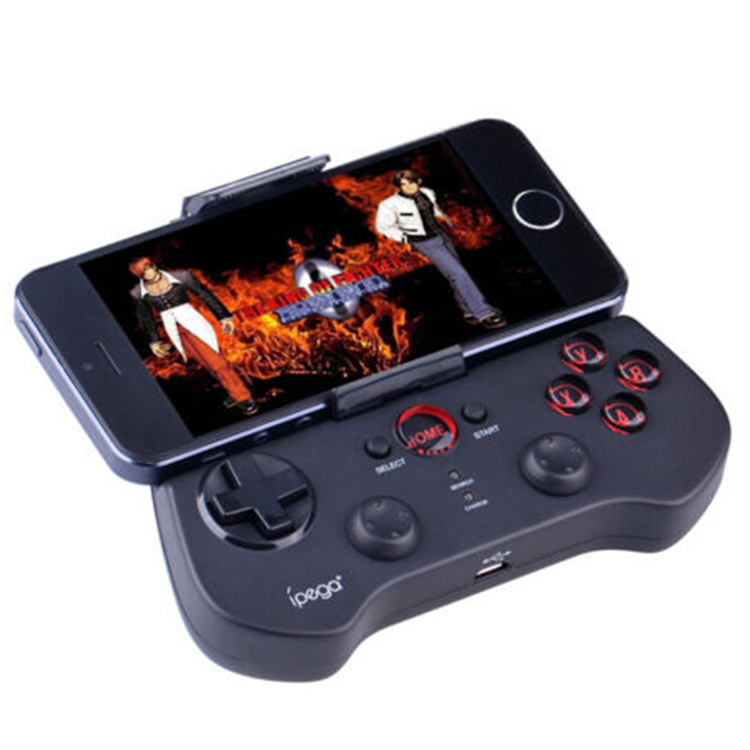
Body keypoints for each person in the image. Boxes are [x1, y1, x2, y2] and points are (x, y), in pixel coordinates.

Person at [375, 169, 506, 328]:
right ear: (399, 187)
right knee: (459, 274)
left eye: (411, 182)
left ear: (418, 182)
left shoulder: (427, 192)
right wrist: (406, 238)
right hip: (424, 242)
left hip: (442, 236)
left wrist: (448, 223)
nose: (409, 187)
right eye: (404, 184)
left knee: (456, 275)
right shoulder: (389, 205)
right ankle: (483, 313)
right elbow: (383, 226)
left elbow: (435, 210)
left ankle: (468, 311)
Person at [129, 257, 258, 416]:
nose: (150, 273)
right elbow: (146, 317)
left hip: (194, 323)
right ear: (140, 276)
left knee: (217, 363)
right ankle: (233, 390)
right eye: (144, 273)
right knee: (206, 363)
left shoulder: (182, 276)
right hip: (174, 329)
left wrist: (223, 317)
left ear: (154, 265)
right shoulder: (138, 292)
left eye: (150, 268)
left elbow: (204, 294)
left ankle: (243, 397)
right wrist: (154, 341)